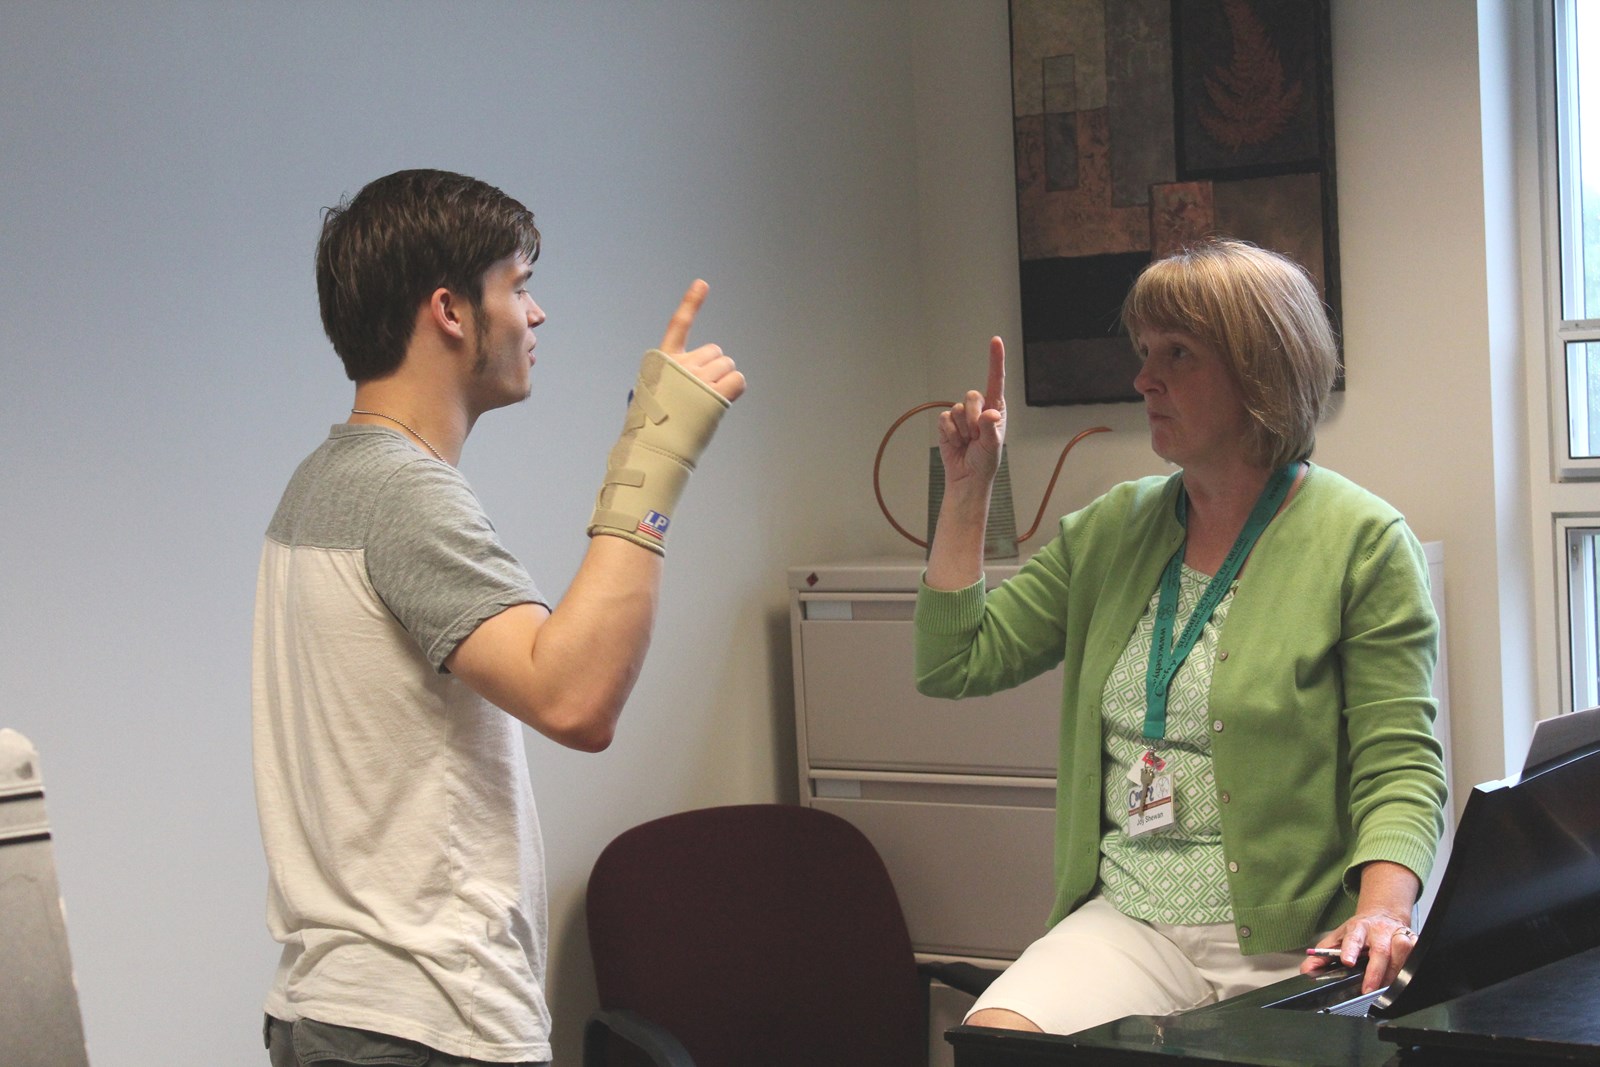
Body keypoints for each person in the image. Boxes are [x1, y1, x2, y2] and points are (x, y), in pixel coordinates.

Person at [252, 169, 745, 1066]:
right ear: (449, 309)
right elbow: (576, 698)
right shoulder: (402, 494)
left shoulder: (321, 482)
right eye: (518, 286)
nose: (536, 312)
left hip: (334, 1012)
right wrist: (657, 450)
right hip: (422, 1020)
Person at [915, 238, 1445, 1036]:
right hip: (1132, 920)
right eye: (1143, 351)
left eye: (1177, 353)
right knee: (998, 1043)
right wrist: (967, 493)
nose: (1143, 379)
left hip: (1294, 941)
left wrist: (1382, 909)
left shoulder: (1363, 542)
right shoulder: (1112, 528)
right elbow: (954, 662)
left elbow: (1399, 761)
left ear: (1259, 370)